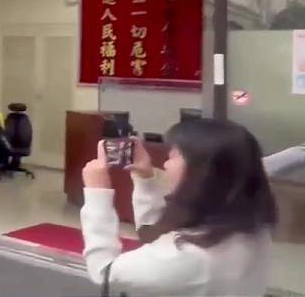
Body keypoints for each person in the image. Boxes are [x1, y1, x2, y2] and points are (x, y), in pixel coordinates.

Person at [81, 118, 276, 297]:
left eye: (173, 156)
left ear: (201, 172)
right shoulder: (253, 229)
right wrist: (145, 178)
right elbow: (154, 238)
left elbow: (104, 272)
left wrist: (97, 193)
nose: (166, 164)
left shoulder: (191, 257)